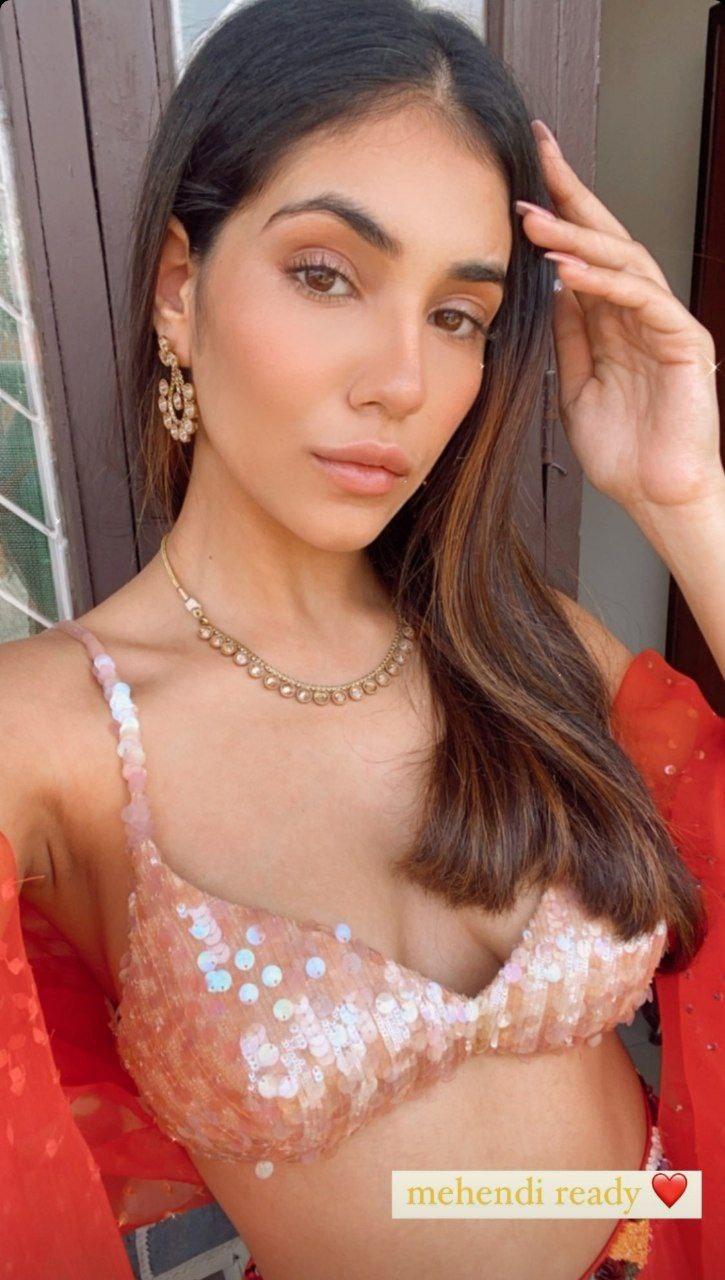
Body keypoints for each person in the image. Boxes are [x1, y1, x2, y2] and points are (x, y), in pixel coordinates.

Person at [0, 1, 723, 1277]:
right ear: (178, 288)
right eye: (326, 274)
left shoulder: (522, 647)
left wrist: (685, 503)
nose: (401, 380)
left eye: (457, 314)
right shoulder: (50, 734)